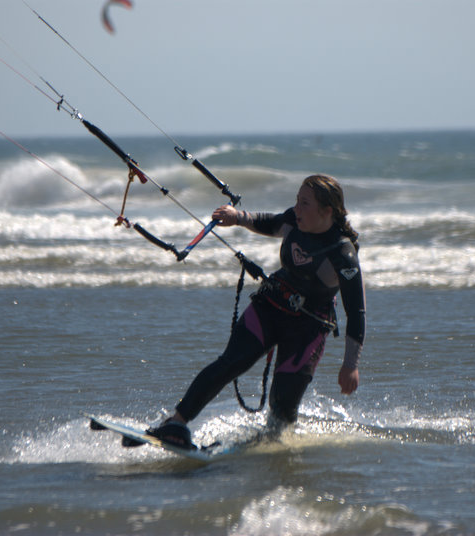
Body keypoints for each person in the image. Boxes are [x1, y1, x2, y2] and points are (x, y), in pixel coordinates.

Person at [148, 174, 366, 448]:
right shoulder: (294, 220)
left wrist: (350, 365)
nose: (296, 208)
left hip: (307, 329)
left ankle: (269, 448)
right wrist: (237, 217)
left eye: (305, 203)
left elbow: (356, 311)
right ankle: (176, 423)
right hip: (270, 307)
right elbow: (270, 222)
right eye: (297, 200)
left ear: (327, 211)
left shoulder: (343, 254)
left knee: (283, 403)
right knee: (230, 363)